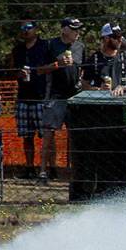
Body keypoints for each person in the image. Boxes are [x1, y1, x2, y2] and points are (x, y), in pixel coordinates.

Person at [37, 17, 84, 181]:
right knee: (49, 133)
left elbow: (83, 70)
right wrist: (57, 64)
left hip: (75, 97)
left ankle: (77, 172)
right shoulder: (50, 45)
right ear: (64, 29)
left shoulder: (80, 46)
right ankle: (44, 171)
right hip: (55, 96)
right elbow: (39, 70)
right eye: (73, 29)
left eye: (78, 29)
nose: (77, 32)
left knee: (76, 135)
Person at [10, 20, 50, 176]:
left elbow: (53, 66)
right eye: (23, 28)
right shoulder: (18, 49)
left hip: (41, 97)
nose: (25, 31)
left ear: (36, 29)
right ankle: (29, 167)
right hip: (23, 96)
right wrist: (18, 73)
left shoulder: (44, 46)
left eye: (28, 28)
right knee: (26, 136)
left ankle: (47, 168)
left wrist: (40, 71)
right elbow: (12, 69)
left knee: (46, 135)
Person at [81, 22, 126, 93]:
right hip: (100, 101)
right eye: (116, 37)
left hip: (122, 101)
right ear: (106, 38)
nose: (120, 40)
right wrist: (99, 90)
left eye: (120, 36)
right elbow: (84, 85)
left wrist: (123, 88)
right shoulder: (94, 59)